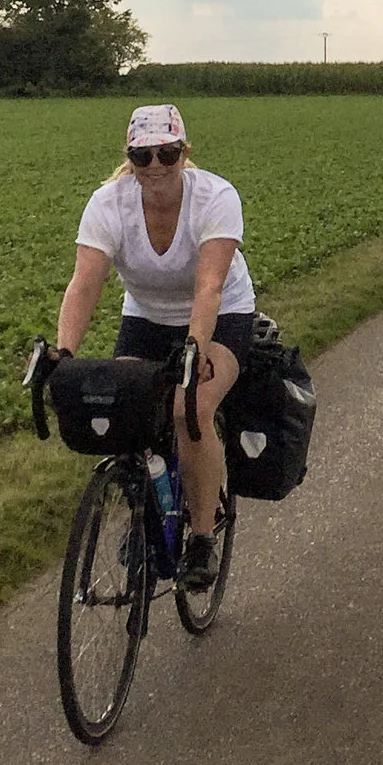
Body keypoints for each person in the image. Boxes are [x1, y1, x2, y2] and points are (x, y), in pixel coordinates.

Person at [54, 104, 255, 591]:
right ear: (130, 158)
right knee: (128, 408)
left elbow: (208, 286)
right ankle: (149, 510)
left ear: (184, 152)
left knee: (191, 409)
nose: (157, 166)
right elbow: (85, 283)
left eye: (167, 153)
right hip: (145, 316)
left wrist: (196, 347)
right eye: (143, 157)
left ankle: (202, 536)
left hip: (221, 313)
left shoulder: (214, 197)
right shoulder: (108, 203)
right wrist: (61, 357)